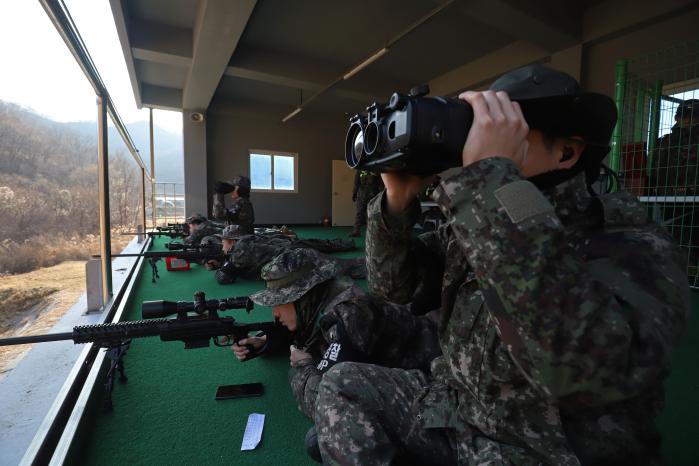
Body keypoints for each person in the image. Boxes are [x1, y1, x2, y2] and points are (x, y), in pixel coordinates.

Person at [314, 65, 690, 465]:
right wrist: (397, 202)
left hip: (535, 448)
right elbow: (396, 288)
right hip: (461, 413)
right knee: (342, 388)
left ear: (566, 152)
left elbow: (579, 369)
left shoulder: (632, 243)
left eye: (506, 133)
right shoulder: (480, 216)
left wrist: (490, 181)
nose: (482, 145)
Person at [231, 248, 441, 462]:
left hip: (441, 385)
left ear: (304, 296)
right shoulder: (325, 299)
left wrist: (303, 368)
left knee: (320, 437)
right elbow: (311, 336)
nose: (274, 313)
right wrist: (265, 342)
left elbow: (321, 400)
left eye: (279, 302)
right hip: (426, 374)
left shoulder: (349, 314)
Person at [212, 224, 363, 284]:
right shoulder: (246, 242)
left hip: (293, 259)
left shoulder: (240, 250)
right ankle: (365, 262)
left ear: (231, 241)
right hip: (292, 253)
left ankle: (373, 266)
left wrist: (220, 263)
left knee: (340, 267)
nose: (222, 245)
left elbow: (223, 278)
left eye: (223, 241)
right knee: (334, 262)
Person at [652, 98, 699, 196]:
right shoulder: (664, 142)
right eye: (683, 115)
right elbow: (653, 171)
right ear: (676, 118)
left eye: (693, 116)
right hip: (666, 198)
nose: (688, 119)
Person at [349, 170, 383, 237]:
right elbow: (356, 182)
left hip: (373, 195)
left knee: (371, 214)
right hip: (362, 195)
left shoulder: (376, 169)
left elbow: (381, 183)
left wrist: (382, 195)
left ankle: (371, 232)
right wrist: (354, 193)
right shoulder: (360, 170)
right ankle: (356, 231)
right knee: (359, 213)